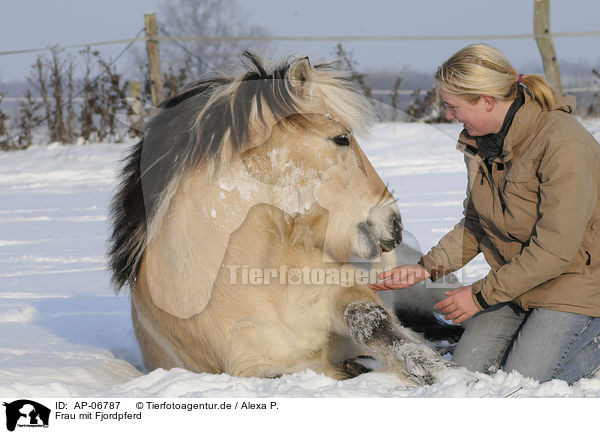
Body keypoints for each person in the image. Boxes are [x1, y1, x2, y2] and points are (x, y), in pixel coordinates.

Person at [369, 44, 600, 385]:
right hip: (517, 282)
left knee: (522, 378)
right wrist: (425, 268)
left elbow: (554, 250)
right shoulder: (481, 145)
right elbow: (477, 224)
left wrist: (479, 296)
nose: (449, 115)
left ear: (486, 101)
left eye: (453, 106)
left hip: (576, 280)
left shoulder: (563, 144)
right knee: (468, 369)